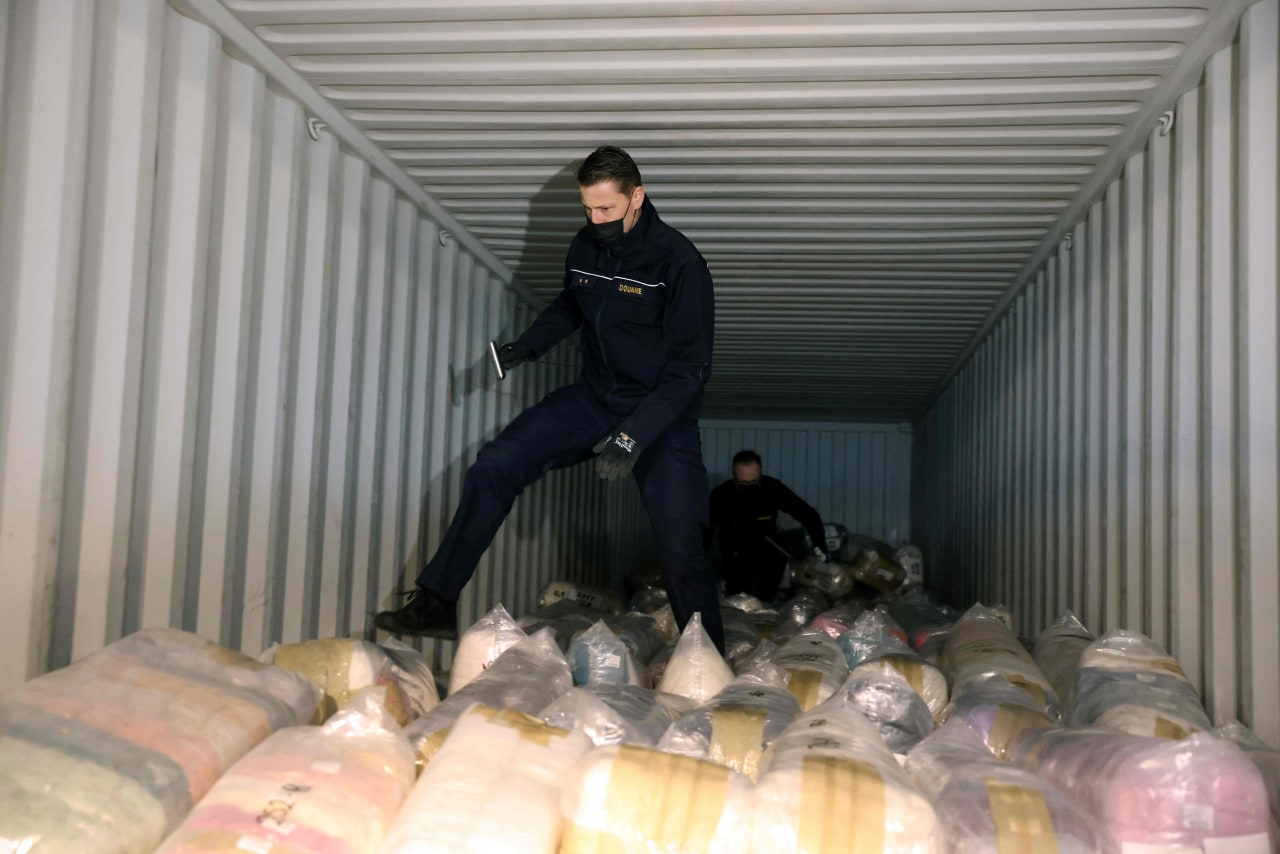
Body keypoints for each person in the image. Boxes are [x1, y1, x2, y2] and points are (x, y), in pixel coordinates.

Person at [375, 145, 726, 653]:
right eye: (587, 208)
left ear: (637, 197)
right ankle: (436, 603)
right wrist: (529, 344)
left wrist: (632, 436)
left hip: (660, 415)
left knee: (680, 542)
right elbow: (572, 303)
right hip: (594, 398)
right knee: (495, 464)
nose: (595, 220)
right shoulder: (585, 245)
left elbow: (690, 371)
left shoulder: (680, 263)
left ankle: (708, 663)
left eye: (605, 208)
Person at [707, 450, 829, 602]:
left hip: (768, 551)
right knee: (740, 599)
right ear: (734, 477)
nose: (749, 487)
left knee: (765, 596)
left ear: (760, 475)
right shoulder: (721, 495)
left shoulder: (772, 489)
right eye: (744, 483)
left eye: (754, 482)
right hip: (734, 554)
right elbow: (706, 529)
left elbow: (807, 514)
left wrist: (819, 543)